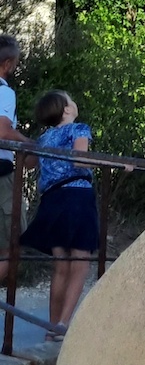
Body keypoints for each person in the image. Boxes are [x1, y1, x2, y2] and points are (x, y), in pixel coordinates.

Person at [21, 92, 99, 336]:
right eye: (71, 100)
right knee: (80, 261)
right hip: (77, 197)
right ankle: (64, 324)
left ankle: (51, 325)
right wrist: (110, 165)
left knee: (61, 265)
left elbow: (29, 163)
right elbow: (81, 161)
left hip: (51, 201)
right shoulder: (78, 129)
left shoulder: (44, 138)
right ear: (67, 110)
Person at [0, 36, 33, 290]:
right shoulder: (4, 92)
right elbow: (2, 130)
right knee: (11, 242)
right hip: (1, 175)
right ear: (8, 63)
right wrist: (31, 144)